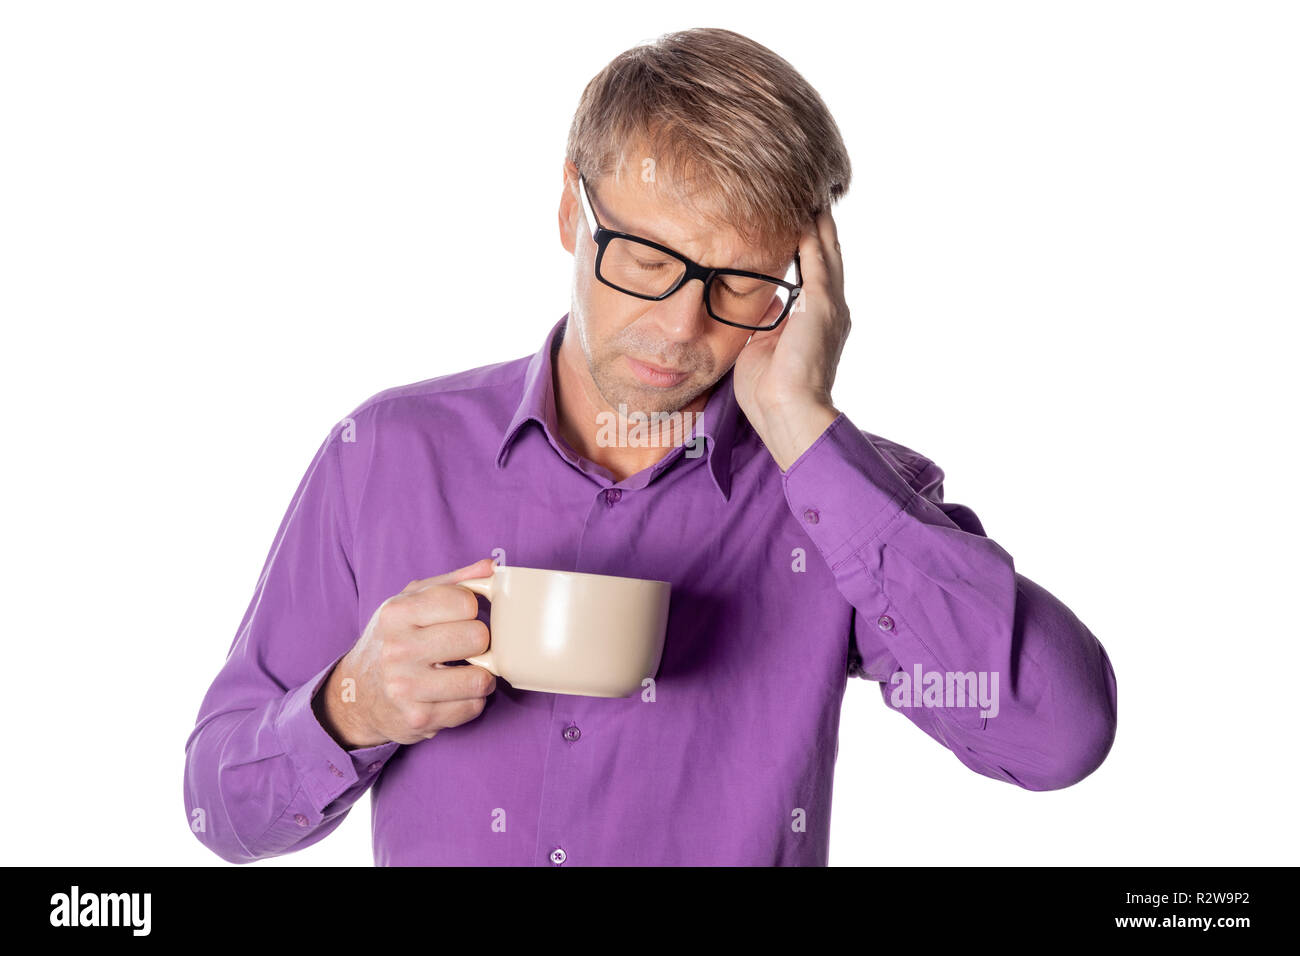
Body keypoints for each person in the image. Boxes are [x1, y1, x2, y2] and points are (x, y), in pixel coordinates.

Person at [184, 27, 1117, 866]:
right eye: (647, 259)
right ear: (569, 214)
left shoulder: (847, 497)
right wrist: (354, 706)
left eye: (743, 281)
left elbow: (1056, 736)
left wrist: (803, 424)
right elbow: (219, 810)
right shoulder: (384, 453)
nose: (678, 327)